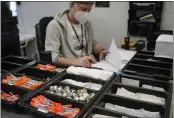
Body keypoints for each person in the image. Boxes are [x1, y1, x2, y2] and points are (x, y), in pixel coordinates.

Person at [45, 1, 109, 67]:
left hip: (89, 66)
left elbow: (93, 44)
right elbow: (52, 56)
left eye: (89, 11)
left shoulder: (87, 23)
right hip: (70, 70)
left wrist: (101, 50)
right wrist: (75, 62)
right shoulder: (55, 26)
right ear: (72, 4)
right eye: (83, 9)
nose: (86, 13)